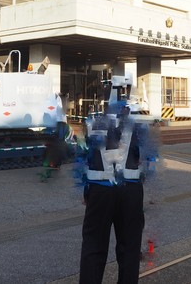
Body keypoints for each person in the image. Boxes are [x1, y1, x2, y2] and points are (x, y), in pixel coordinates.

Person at [76, 102, 156, 284]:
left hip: (99, 189)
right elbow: (150, 158)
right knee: (130, 248)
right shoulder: (140, 126)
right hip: (131, 190)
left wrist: (86, 191)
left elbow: (81, 158)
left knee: (93, 246)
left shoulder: (92, 123)